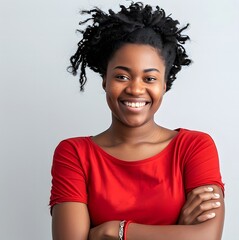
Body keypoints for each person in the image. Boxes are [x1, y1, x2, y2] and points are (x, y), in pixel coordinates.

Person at [49, 2, 225, 240]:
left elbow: (207, 237)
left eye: (149, 78)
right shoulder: (75, 154)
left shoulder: (194, 147)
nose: (135, 88)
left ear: (164, 85)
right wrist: (176, 231)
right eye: (121, 76)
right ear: (104, 80)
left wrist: (114, 231)